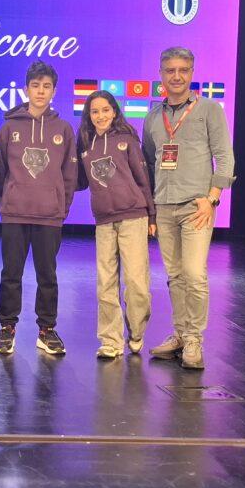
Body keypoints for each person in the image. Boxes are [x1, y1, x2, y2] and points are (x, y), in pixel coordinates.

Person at [142, 47, 235, 370]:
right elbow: (149, 160)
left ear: (192, 73)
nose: (177, 76)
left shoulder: (209, 110)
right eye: (170, 70)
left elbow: (225, 157)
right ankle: (180, 334)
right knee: (175, 276)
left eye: (183, 70)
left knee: (194, 274)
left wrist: (212, 198)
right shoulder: (153, 116)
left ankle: (194, 338)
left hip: (198, 205)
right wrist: (151, 207)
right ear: (161, 74)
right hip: (164, 205)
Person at [0, 61, 77, 355]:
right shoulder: (9, 127)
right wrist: (6, 203)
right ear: (26, 89)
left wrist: (61, 207)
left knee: (47, 276)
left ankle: (46, 329)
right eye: (35, 86)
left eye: (46, 86)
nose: (41, 91)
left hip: (49, 215)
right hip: (15, 213)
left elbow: (69, 175)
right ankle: (7, 328)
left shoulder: (64, 129)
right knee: (10, 274)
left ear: (54, 90)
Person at [75, 90, 156, 359]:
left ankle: (136, 331)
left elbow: (143, 179)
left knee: (136, 282)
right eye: (95, 111)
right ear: (89, 115)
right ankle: (110, 340)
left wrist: (151, 215)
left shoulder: (127, 139)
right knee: (106, 283)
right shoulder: (84, 144)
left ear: (114, 111)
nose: (100, 116)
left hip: (134, 217)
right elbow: (79, 180)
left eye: (105, 110)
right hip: (103, 220)